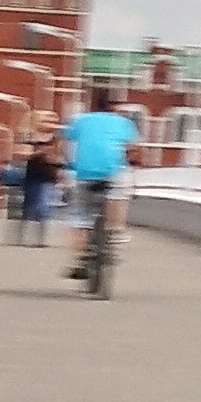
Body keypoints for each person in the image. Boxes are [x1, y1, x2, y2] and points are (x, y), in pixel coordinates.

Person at [63, 83, 137, 277]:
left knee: (80, 218)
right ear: (115, 107)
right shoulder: (124, 123)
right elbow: (134, 150)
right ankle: (115, 232)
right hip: (114, 173)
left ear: (93, 104)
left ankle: (81, 258)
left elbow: (65, 145)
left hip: (84, 174)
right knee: (120, 193)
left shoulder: (79, 121)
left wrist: (69, 166)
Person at [19, 127, 61, 245]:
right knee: (29, 210)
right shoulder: (36, 152)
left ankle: (40, 239)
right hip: (34, 182)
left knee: (41, 210)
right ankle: (22, 237)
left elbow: (58, 164)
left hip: (45, 182)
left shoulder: (52, 153)